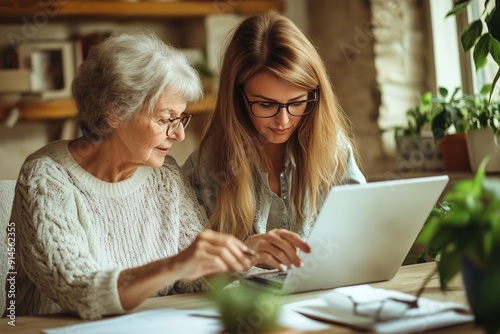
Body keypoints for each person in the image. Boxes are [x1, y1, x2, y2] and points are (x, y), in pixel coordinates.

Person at [2, 31, 254, 320]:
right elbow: (82, 291)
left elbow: (196, 278)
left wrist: (246, 256)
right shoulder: (46, 177)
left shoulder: (165, 176)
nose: (180, 134)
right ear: (115, 112)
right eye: (165, 119)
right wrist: (175, 265)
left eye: (182, 118)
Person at [182, 11, 366, 270]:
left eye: (297, 102)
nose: (283, 121)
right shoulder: (207, 166)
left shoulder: (332, 149)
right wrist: (244, 256)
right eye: (266, 104)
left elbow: (364, 234)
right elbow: (186, 276)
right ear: (237, 97)